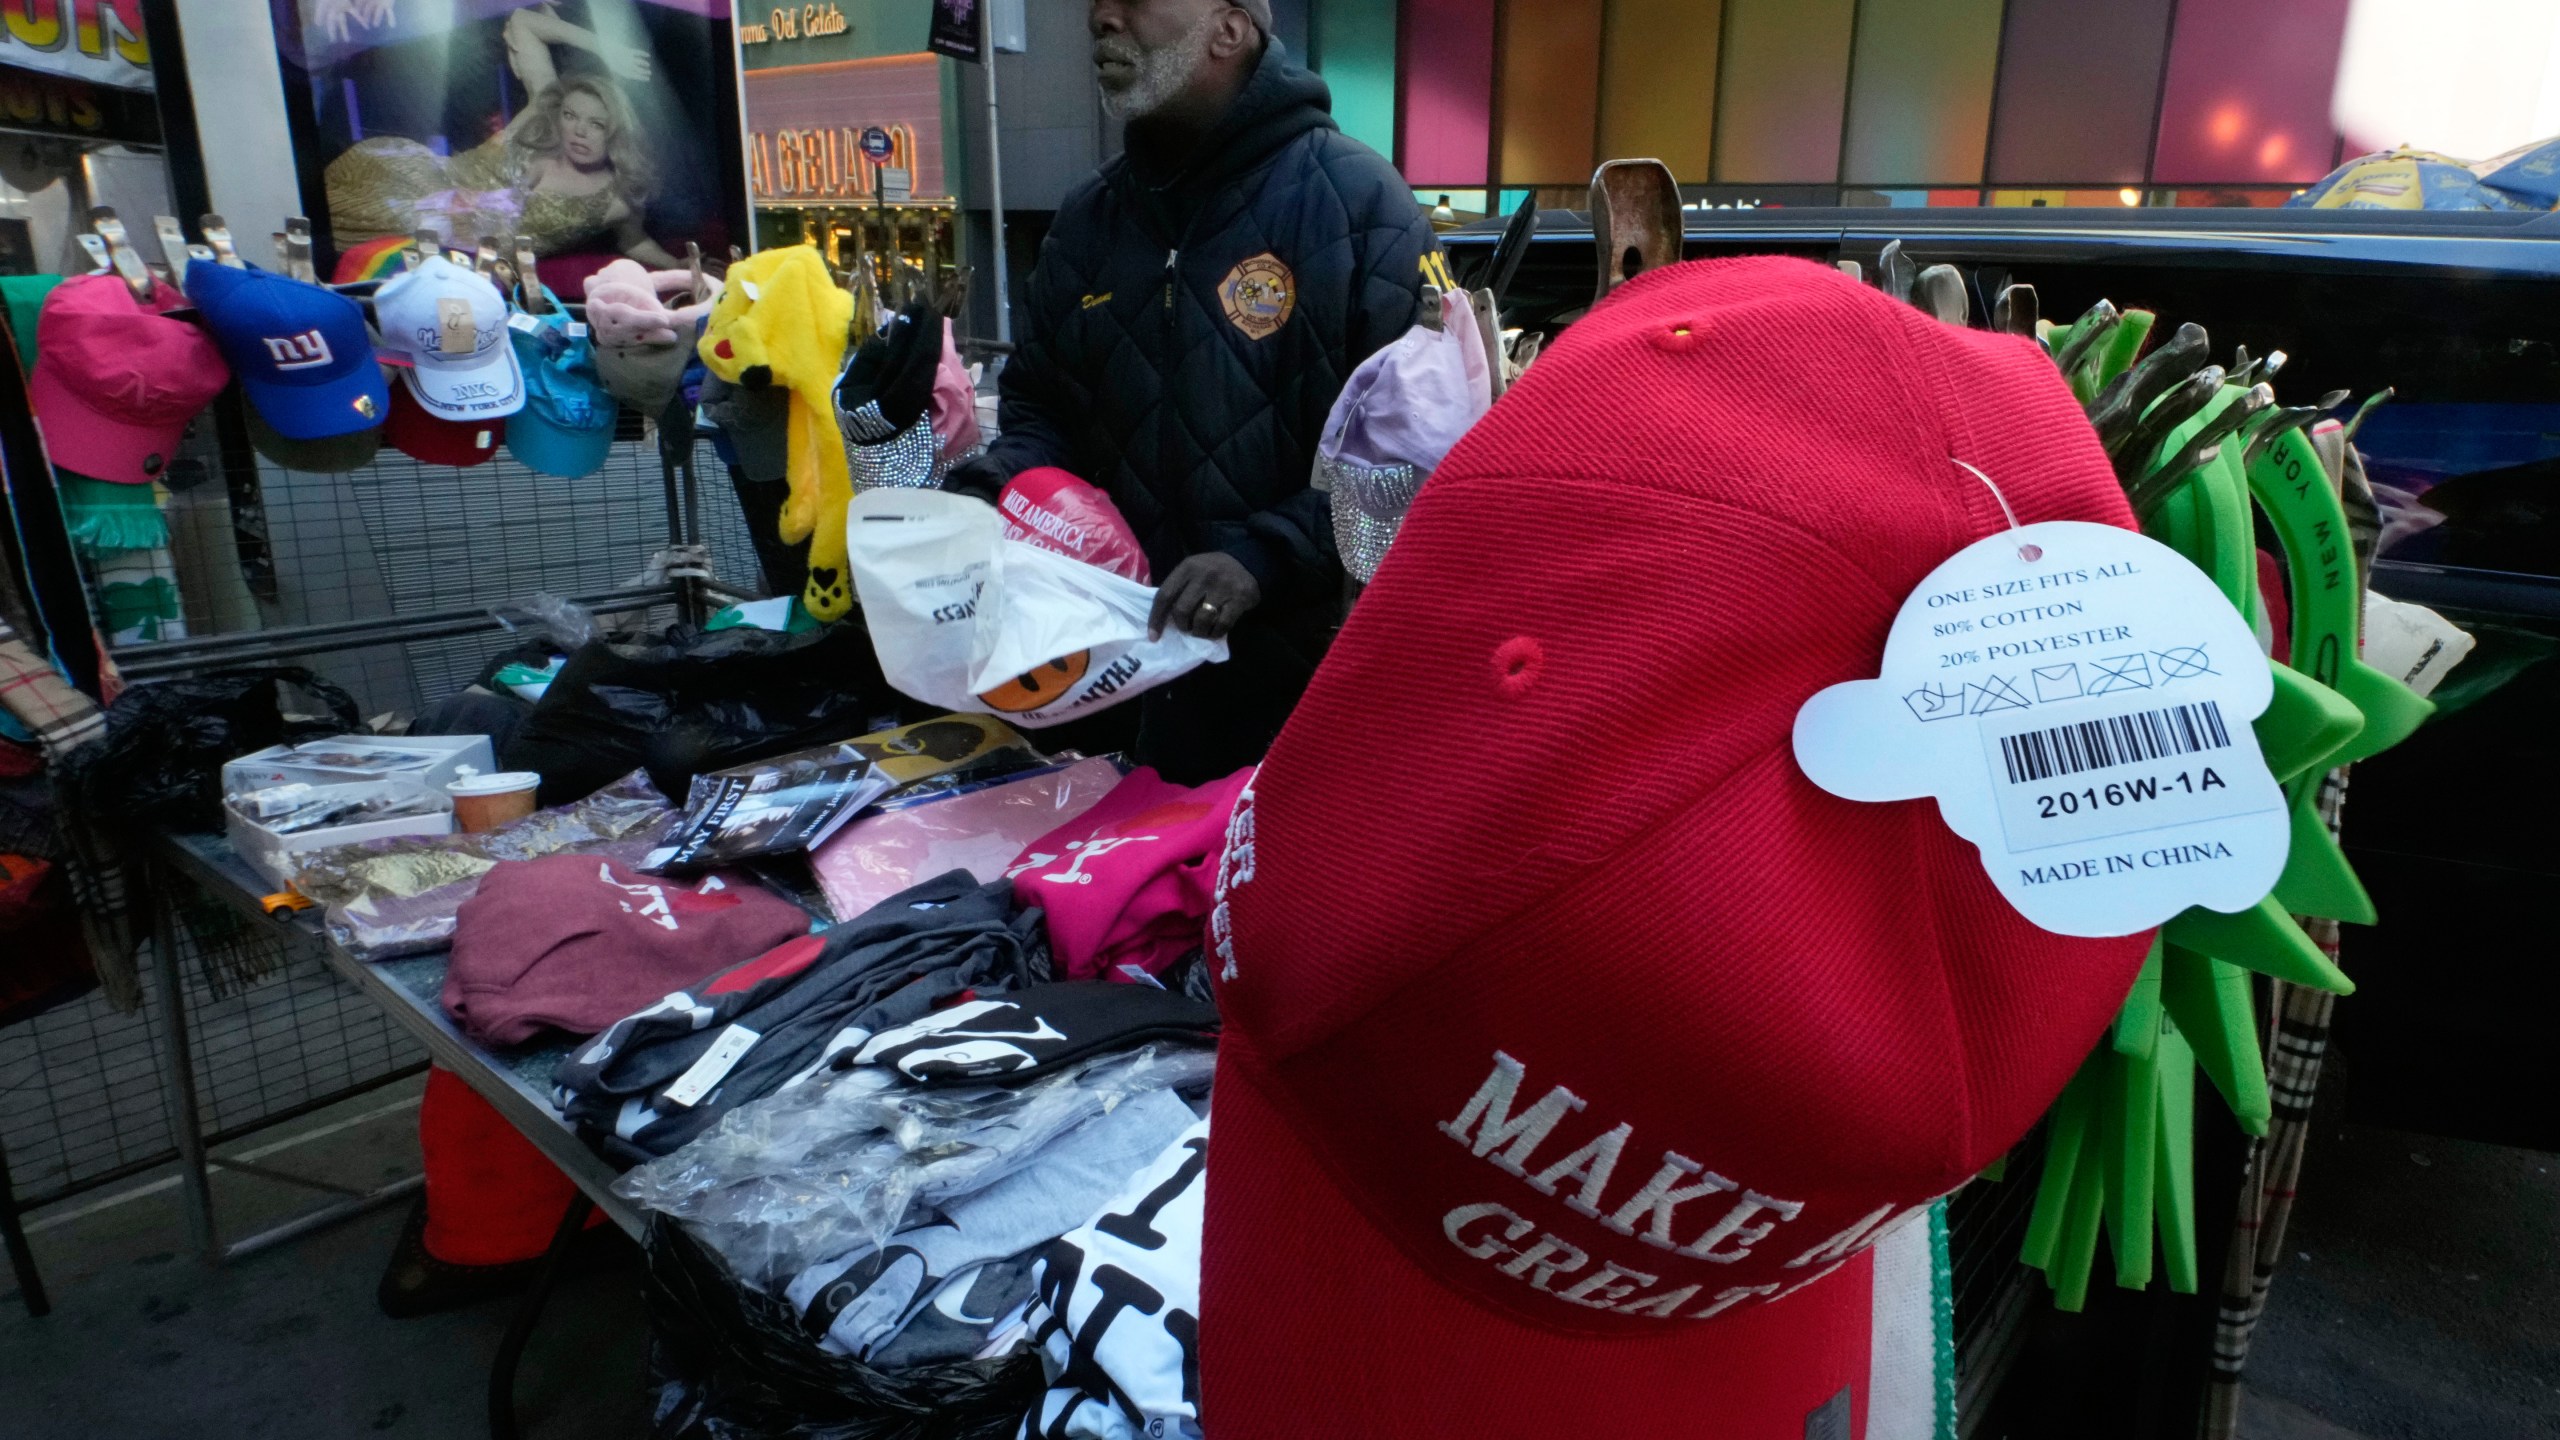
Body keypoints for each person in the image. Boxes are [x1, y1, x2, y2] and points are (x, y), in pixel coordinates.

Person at [942, 0, 1439, 785]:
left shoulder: (1362, 205)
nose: (1101, 19)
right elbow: (1042, 414)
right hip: (1104, 697)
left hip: (1296, 708)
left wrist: (1267, 556)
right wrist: (988, 491)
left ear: (1230, 28)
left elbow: (1414, 454)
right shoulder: (1084, 223)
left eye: (1133, 0)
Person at [324, 3, 680, 265]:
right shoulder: (543, 115)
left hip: (461, 252)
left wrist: (679, 266)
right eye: (571, 116)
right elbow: (523, 22)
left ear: (616, 132)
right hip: (410, 188)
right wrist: (605, 47)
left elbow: (635, 243)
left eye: (597, 124)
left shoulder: (618, 198)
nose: (579, 131)